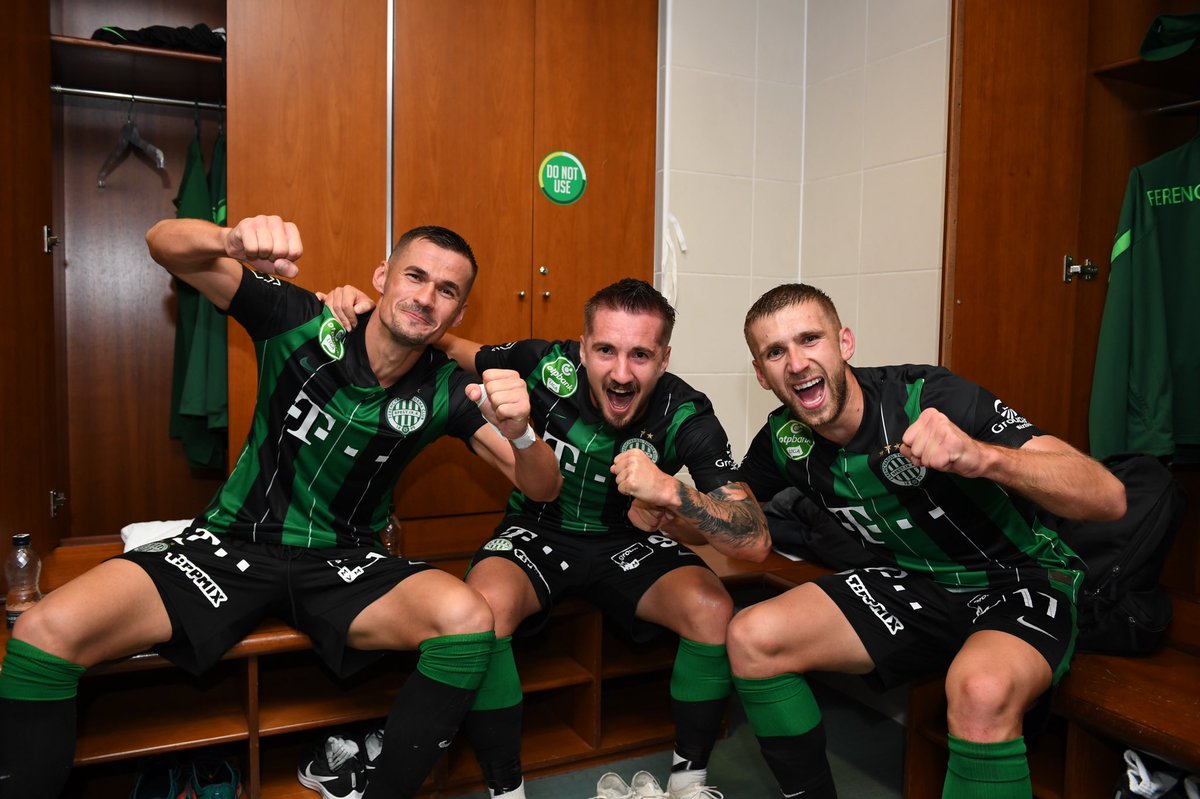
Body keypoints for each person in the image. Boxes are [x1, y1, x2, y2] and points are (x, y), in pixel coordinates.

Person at [0, 215, 563, 799]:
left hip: (345, 562)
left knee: (469, 619)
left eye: (446, 291)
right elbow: (161, 244)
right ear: (382, 277)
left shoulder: (447, 388)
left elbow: (542, 489)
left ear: (459, 314)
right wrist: (229, 241)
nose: (425, 297)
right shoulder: (299, 319)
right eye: (414, 276)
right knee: (45, 631)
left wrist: (523, 434)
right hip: (231, 545)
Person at [322, 278, 771, 799]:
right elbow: (451, 345)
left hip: (626, 540)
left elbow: (754, 539)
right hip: (538, 530)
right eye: (605, 350)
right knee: (482, 612)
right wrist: (374, 312)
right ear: (582, 347)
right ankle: (506, 789)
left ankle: (688, 780)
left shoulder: (687, 411)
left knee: (713, 607)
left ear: (664, 358)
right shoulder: (544, 365)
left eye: (641, 355)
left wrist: (672, 494)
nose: (621, 373)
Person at [730, 283, 1127, 798]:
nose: (798, 362)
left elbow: (1108, 498)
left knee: (979, 693)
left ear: (844, 343)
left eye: (810, 339)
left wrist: (984, 457)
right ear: (762, 375)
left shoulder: (927, 397)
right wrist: (670, 501)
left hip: (1017, 579)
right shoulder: (783, 440)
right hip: (914, 583)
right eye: (776, 352)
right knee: (752, 636)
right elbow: (731, 518)